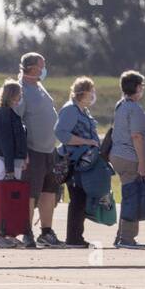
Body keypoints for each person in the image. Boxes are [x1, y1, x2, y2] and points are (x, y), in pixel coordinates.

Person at [13, 52, 64, 248]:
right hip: (32, 151)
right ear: (33, 68)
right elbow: (17, 122)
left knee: (49, 191)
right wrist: (22, 151)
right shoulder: (21, 90)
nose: (44, 69)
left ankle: (46, 231)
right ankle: (26, 232)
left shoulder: (39, 86)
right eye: (41, 66)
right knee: (30, 193)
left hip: (48, 150)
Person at [110, 70, 145, 250]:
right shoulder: (134, 108)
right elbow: (137, 136)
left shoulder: (121, 105)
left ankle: (121, 235)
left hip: (119, 155)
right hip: (131, 157)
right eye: (142, 86)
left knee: (128, 195)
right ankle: (127, 238)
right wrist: (143, 162)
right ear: (137, 87)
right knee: (133, 196)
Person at [55, 76, 101, 249]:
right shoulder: (70, 110)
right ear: (83, 93)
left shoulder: (83, 110)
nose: (93, 95)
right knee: (77, 199)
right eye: (91, 92)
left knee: (81, 198)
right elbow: (61, 133)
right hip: (74, 161)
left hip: (85, 162)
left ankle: (76, 236)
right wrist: (86, 142)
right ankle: (73, 238)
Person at [0, 79, 28, 249]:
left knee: (10, 199)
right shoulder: (4, 114)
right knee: (3, 198)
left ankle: (8, 233)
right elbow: (6, 144)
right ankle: (0, 235)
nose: (20, 97)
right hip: (4, 161)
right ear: (12, 95)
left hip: (12, 161)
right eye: (18, 94)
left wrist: (23, 157)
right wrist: (10, 169)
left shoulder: (11, 113)